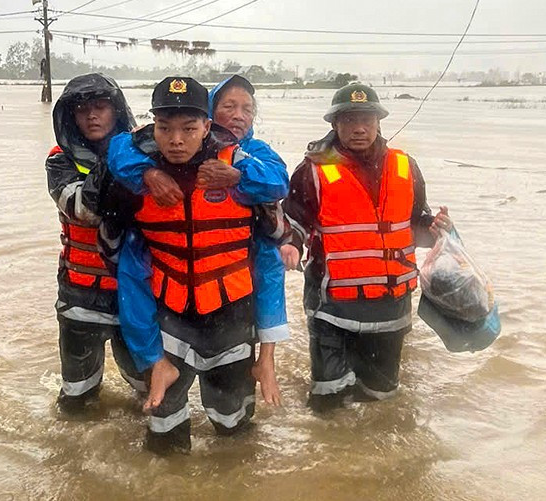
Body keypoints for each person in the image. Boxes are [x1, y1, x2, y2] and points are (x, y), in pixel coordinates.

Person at [100, 77, 286, 454]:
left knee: (235, 439)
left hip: (232, 321)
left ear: (207, 127)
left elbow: (268, 267)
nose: (177, 140)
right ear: (152, 128)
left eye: (189, 128)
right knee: (163, 441)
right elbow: (133, 279)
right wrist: (152, 359)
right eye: (165, 129)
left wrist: (267, 356)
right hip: (171, 325)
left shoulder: (245, 169)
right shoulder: (135, 179)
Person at [282, 83, 453, 411]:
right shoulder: (312, 170)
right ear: (335, 125)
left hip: (390, 310)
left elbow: (417, 224)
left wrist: (436, 228)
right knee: (328, 404)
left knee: (382, 403)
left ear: (378, 123)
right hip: (331, 308)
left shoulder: (406, 166)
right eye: (349, 120)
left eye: (367, 120)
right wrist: (291, 245)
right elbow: (295, 221)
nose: (359, 128)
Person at [45, 73, 145, 413]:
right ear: (70, 116)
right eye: (82, 109)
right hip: (79, 293)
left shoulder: (143, 154)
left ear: (116, 111)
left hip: (133, 292)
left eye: (100, 107)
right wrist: (117, 162)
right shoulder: (59, 160)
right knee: (77, 396)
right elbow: (81, 209)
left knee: (147, 389)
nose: (92, 115)